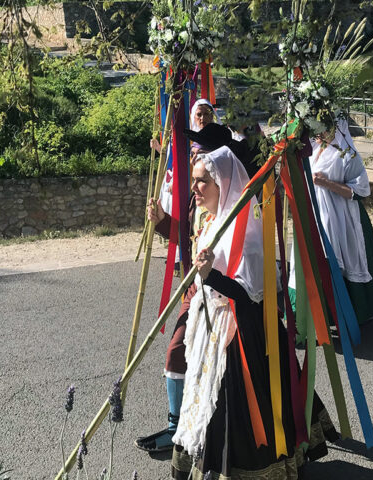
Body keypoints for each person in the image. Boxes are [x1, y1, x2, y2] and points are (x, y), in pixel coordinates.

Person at [171, 146, 337, 479]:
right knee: (205, 395)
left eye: (202, 181)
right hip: (211, 323)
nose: (195, 189)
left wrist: (211, 276)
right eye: (195, 181)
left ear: (222, 184)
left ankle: (252, 468)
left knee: (240, 401)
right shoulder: (212, 220)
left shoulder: (244, 230)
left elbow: (250, 294)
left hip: (240, 329)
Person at [135, 122, 233, 453]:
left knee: (227, 368)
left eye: (200, 151)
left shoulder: (235, 200)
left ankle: (213, 431)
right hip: (196, 288)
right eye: (193, 151)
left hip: (227, 300)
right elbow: (189, 238)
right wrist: (162, 220)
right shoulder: (198, 196)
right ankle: (176, 425)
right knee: (179, 351)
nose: (194, 156)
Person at [289, 118, 373, 328]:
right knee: (311, 257)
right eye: (318, 129)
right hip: (315, 211)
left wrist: (326, 183)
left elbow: (361, 191)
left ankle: (342, 314)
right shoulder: (313, 147)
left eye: (325, 129)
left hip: (341, 216)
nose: (320, 134)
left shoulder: (348, 154)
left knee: (339, 259)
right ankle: (311, 313)